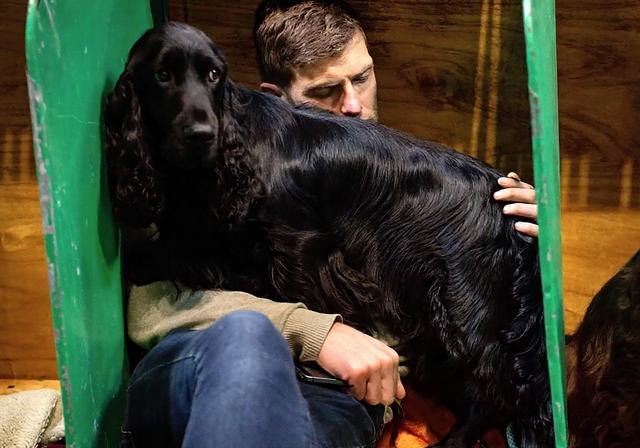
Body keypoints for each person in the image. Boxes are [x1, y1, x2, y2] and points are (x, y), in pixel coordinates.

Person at [121, 1, 538, 447]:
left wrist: (535, 241)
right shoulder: (192, 158)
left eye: (361, 78)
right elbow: (151, 308)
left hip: (335, 396)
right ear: (274, 98)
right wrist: (317, 335)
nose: (354, 105)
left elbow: (496, 356)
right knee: (246, 341)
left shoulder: (421, 185)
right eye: (325, 92)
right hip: (206, 364)